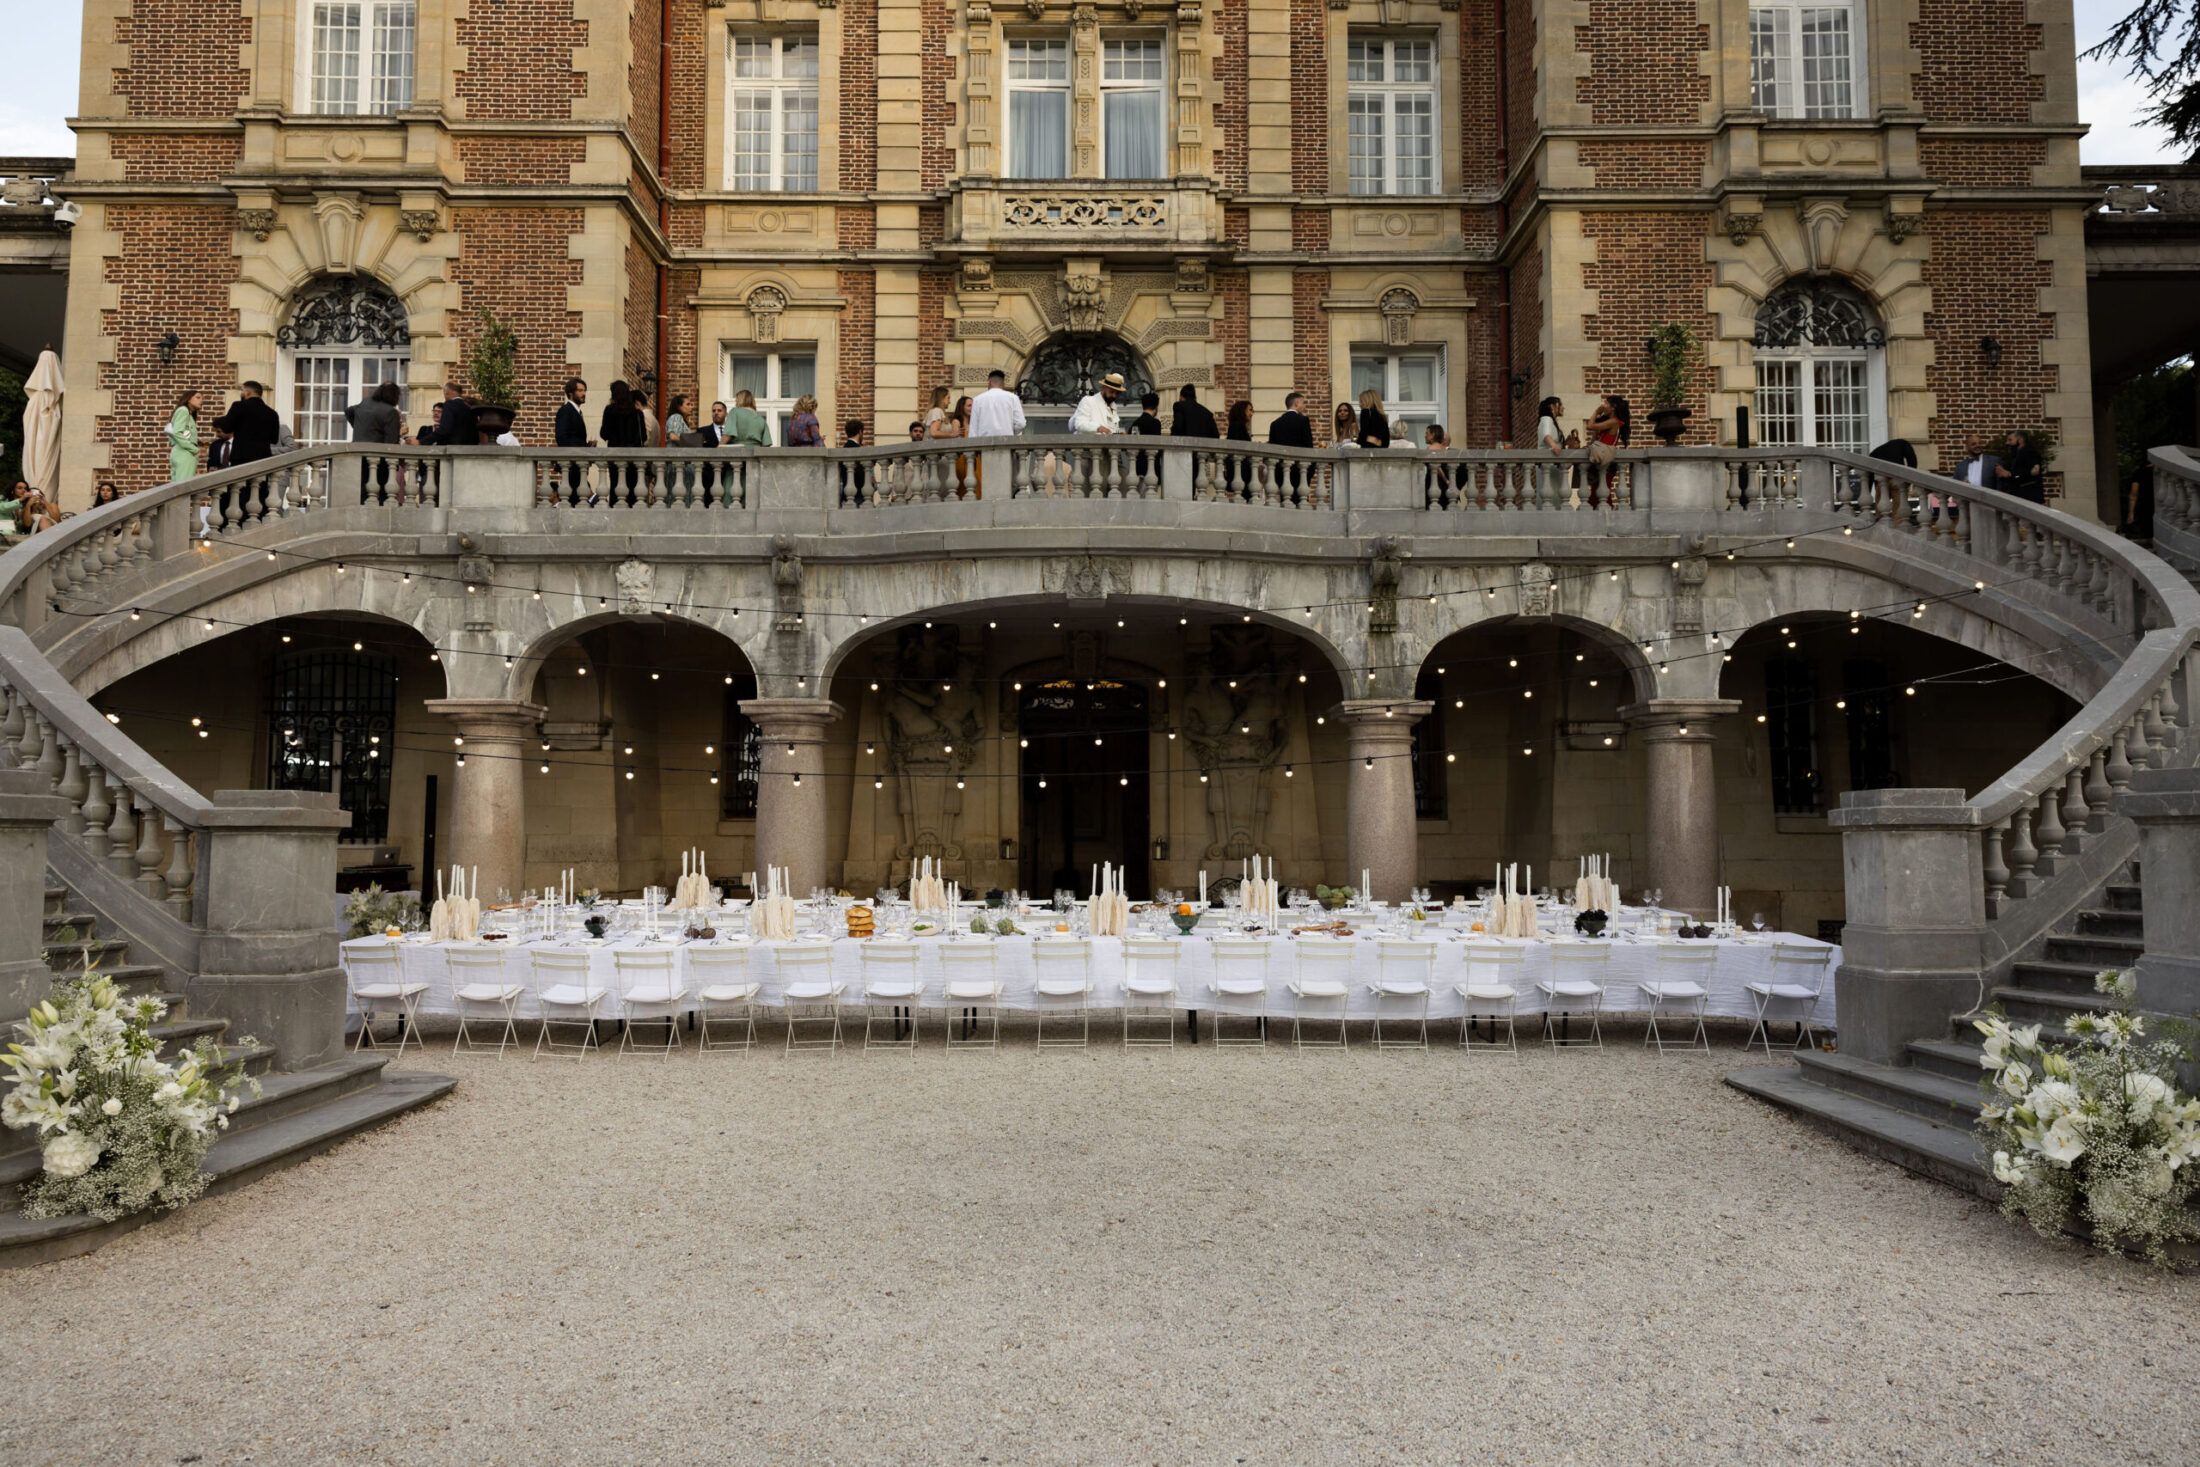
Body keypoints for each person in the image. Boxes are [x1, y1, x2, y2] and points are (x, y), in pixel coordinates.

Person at [214, 381, 282, 463]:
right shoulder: (272, 413)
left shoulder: (238, 406)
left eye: (242, 390)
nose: (241, 393)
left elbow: (226, 428)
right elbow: (274, 439)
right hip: (263, 459)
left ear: (247, 392)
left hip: (241, 458)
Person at [966, 369, 1027, 439]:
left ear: (989, 382)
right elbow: (1021, 424)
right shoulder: (1013, 398)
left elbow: (973, 429)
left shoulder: (977, 400)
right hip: (1006, 442)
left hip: (983, 443)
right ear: (1004, 384)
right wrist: (1010, 430)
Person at [166, 389, 202, 484]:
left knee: (176, 487)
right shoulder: (183, 410)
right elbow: (177, 432)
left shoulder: (186, 412)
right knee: (183, 488)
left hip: (178, 451)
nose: (201, 401)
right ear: (188, 399)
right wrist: (194, 449)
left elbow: (177, 432)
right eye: (198, 397)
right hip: (184, 453)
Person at [1999, 430, 2044, 504]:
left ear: (2020, 440)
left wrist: (2010, 474)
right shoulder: (2016, 456)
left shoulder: (2030, 453)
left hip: (2029, 499)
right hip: (2020, 498)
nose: (2007, 443)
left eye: (2010, 440)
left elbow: (2033, 473)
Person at [598, 380, 646, 448]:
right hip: (633, 453)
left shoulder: (609, 410)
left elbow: (603, 434)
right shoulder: (637, 413)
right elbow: (644, 436)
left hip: (614, 451)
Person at [434, 382, 480, 447]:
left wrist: (421, 441)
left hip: (452, 449)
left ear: (447, 392)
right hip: (469, 450)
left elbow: (444, 430)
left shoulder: (449, 404)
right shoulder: (469, 409)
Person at [556, 379, 594, 447]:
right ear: (571, 393)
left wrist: (587, 446)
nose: (584, 393)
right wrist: (584, 446)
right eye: (580, 390)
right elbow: (562, 438)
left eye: (584, 390)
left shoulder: (577, 411)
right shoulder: (565, 410)